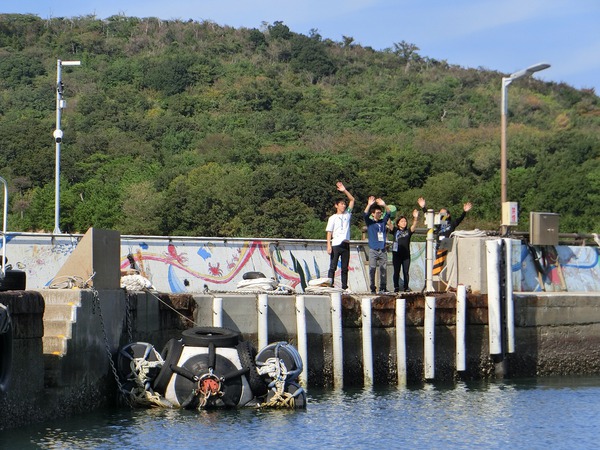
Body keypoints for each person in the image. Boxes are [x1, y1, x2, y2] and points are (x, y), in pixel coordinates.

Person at [326, 182, 355, 291]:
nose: (343, 205)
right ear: (336, 205)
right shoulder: (332, 218)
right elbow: (329, 231)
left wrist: (344, 190)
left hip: (345, 243)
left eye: (344, 204)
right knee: (333, 266)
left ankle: (344, 287)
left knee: (344, 267)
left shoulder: (347, 214)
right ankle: (330, 284)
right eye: (341, 204)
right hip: (336, 244)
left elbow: (352, 200)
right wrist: (328, 245)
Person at [364, 196, 391, 294]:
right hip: (373, 249)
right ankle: (372, 287)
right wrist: (369, 204)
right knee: (372, 269)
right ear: (373, 214)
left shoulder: (383, 222)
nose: (379, 214)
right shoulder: (370, 223)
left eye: (380, 213)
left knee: (383, 269)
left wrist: (384, 205)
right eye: (377, 213)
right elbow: (365, 214)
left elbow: (388, 213)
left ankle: (383, 287)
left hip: (382, 249)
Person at [388, 209, 419, 292]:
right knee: (396, 271)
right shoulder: (395, 230)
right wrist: (387, 213)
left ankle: (406, 287)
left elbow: (414, 226)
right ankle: (396, 287)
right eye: (402, 221)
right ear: (398, 223)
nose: (404, 223)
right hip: (396, 254)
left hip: (406, 255)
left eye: (405, 221)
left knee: (406, 271)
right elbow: (389, 223)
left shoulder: (408, 231)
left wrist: (415, 218)